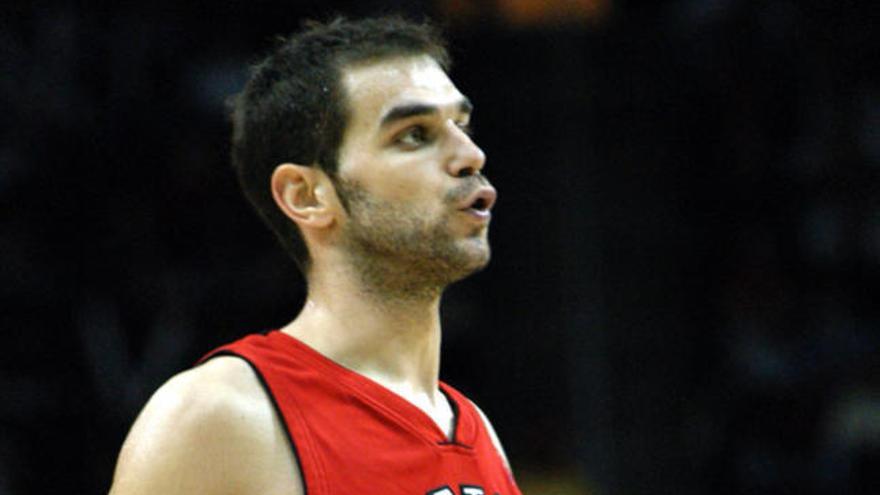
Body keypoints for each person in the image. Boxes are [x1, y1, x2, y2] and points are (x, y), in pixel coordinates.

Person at [108, 16, 520, 495]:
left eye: (461, 125)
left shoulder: (476, 431)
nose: (470, 154)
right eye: (414, 135)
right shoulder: (219, 417)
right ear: (306, 196)